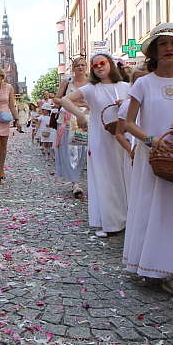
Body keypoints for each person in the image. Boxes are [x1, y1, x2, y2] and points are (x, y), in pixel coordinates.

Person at [122, 24, 173, 302]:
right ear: (154, 51)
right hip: (153, 156)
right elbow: (127, 124)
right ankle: (156, 266)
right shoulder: (143, 84)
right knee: (152, 207)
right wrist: (150, 140)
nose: (169, 48)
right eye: (163, 44)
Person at [60, 53, 130, 237]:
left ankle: (126, 217)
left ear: (110, 65)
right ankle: (108, 220)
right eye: (95, 65)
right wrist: (80, 114)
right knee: (104, 178)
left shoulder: (125, 86)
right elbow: (65, 100)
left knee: (124, 176)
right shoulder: (92, 88)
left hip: (122, 137)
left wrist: (126, 104)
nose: (99, 67)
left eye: (102, 63)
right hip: (100, 138)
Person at [53, 57, 90, 196]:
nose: (80, 68)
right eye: (77, 65)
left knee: (84, 152)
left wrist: (84, 104)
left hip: (86, 119)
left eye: (83, 65)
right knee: (71, 152)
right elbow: (57, 99)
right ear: (73, 68)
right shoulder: (67, 82)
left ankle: (80, 177)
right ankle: (75, 183)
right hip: (69, 120)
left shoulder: (91, 82)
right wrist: (69, 103)